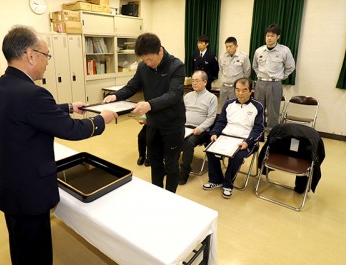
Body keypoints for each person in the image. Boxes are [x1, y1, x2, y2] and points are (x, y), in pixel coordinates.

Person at [0, 25, 117, 265]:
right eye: (46, 55)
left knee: (20, 247)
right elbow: (70, 130)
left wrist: (68, 107)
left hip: (9, 185)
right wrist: (101, 120)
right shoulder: (32, 94)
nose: (47, 61)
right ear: (30, 55)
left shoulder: (1, 87)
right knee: (36, 257)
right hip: (29, 191)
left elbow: (29, 116)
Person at [104, 33, 185, 193]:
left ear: (160, 51)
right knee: (155, 162)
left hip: (172, 125)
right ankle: (157, 194)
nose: (147, 64)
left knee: (171, 165)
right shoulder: (143, 67)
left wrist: (149, 104)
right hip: (153, 123)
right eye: (144, 60)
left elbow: (174, 95)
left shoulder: (176, 66)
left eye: (150, 59)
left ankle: (170, 198)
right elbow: (132, 86)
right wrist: (116, 95)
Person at [203, 77, 264, 199]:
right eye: (237, 90)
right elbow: (221, 122)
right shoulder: (228, 104)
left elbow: (259, 129)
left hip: (245, 140)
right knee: (209, 148)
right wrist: (214, 133)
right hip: (227, 137)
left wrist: (248, 142)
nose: (240, 93)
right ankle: (216, 179)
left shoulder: (257, 106)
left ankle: (228, 183)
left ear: (251, 91)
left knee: (237, 156)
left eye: (244, 90)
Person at [252, 23, 295, 130]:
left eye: (272, 36)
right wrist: (259, 76)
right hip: (260, 83)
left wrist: (280, 77)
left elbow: (290, 67)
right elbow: (255, 66)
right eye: (268, 36)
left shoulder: (284, 51)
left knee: (273, 111)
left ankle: (271, 133)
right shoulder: (259, 50)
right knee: (258, 109)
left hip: (274, 84)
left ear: (278, 37)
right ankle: (258, 131)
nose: (269, 38)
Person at [179, 70, 218, 185]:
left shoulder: (212, 98)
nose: (194, 83)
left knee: (188, 142)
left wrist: (200, 129)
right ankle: (169, 166)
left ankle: (184, 171)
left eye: (197, 81)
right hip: (185, 127)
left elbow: (211, 118)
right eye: (193, 80)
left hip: (200, 130)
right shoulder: (188, 96)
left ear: (205, 82)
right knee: (171, 136)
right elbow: (181, 113)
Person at [218, 36, 251, 109]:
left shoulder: (243, 57)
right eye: (226, 47)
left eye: (230, 46)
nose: (228, 49)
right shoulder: (222, 57)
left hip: (236, 88)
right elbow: (220, 70)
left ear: (236, 46)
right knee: (223, 108)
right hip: (224, 87)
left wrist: (240, 86)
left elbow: (247, 72)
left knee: (236, 108)